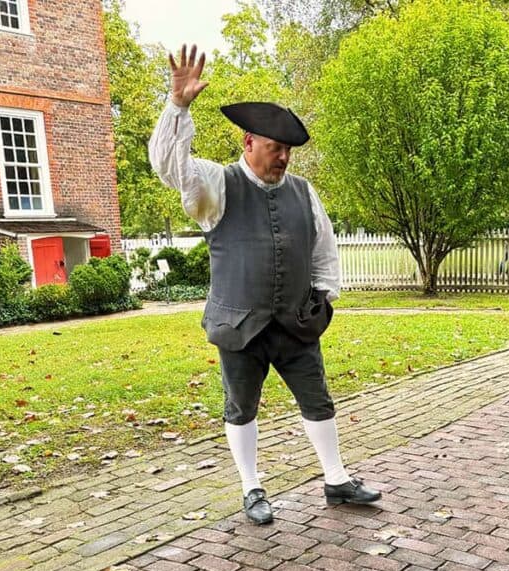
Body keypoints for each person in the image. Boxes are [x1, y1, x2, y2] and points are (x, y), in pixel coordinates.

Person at [148, 44, 381, 525]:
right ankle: (251, 488)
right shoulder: (215, 184)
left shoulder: (303, 190)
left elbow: (323, 246)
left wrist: (323, 296)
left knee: (318, 400)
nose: (284, 158)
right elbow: (170, 167)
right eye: (275, 148)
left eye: (289, 150)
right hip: (239, 324)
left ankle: (336, 480)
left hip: (296, 323)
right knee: (241, 407)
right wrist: (178, 106)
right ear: (249, 142)